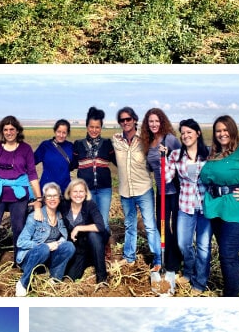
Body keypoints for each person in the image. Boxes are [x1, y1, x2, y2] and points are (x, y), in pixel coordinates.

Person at [0, 115, 43, 268]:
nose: (9, 132)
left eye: (12, 129)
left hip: (19, 195)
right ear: (2, 131)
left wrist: (38, 197)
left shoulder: (25, 149)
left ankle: (20, 261)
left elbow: (32, 174)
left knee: (19, 227)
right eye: (5, 129)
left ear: (17, 130)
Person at [199, 115, 239, 297]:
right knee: (228, 253)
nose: (222, 134)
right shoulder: (213, 154)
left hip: (237, 209)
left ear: (233, 130)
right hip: (216, 209)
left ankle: (231, 296)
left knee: (227, 253)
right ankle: (235, 286)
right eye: (218, 131)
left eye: (225, 130)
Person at [162, 119, 211, 295]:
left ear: (198, 133)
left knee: (203, 246)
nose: (185, 136)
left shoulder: (209, 154)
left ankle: (199, 282)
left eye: (189, 132)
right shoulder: (176, 155)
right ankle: (189, 272)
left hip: (206, 208)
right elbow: (166, 178)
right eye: (182, 133)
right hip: (185, 206)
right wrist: (164, 158)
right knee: (184, 244)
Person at [112, 107, 161, 268]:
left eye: (128, 119)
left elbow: (156, 157)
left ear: (134, 120)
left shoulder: (145, 139)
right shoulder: (116, 140)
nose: (125, 122)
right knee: (130, 224)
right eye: (122, 120)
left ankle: (158, 260)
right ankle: (129, 256)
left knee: (150, 225)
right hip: (126, 191)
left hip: (144, 189)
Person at [14, 182, 75, 296]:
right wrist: (46, 246)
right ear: (44, 199)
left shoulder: (60, 216)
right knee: (43, 248)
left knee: (69, 246)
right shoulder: (35, 216)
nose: (52, 199)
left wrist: (57, 243)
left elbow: (64, 236)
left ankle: (54, 278)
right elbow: (20, 242)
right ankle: (23, 283)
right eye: (49, 196)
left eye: (55, 196)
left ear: (59, 198)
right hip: (31, 258)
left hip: (46, 259)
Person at [140, 108, 181, 273]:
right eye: (151, 121)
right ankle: (168, 259)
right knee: (161, 225)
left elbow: (182, 157)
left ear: (162, 122)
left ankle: (175, 263)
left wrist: (169, 153)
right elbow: (150, 167)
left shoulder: (169, 139)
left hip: (175, 190)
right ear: (147, 124)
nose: (154, 124)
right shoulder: (149, 142)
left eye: (157, 121)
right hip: (161, 191)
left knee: (175, 226)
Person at [71, 107, 116, 241]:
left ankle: (105, 248)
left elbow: (119, 162)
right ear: (86, 127)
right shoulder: (78, 144)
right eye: (91, 127)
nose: (94, 130)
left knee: (103, 222)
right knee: (88, 221)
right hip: (86, 191)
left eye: (97, 127)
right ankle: (90, 251)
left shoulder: (107, 144)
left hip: (104, 190)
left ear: (101, 128)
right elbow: (71, 164)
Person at [61, 179, 108, 287]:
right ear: (69, 193)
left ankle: (102, 278)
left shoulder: (90, 204)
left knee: (93, 235)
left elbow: (100, 226)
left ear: (86, 193)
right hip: (78, 246)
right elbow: (49, 203)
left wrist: (78, 228)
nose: (78, 195)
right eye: (75, 191)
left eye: (81, 191)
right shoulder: (64, 205)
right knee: (72, 276)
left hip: (94, 240)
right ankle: (90, 260)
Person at [34, 119, 74, 193]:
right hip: (47, 189)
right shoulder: (45, 145)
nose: (61, 135)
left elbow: (75, 164)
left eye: (64, 133)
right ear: (55, 131)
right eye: (59, 132)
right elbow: (31, 161)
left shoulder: (71, 146)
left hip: (65, 189)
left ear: (67, 133)